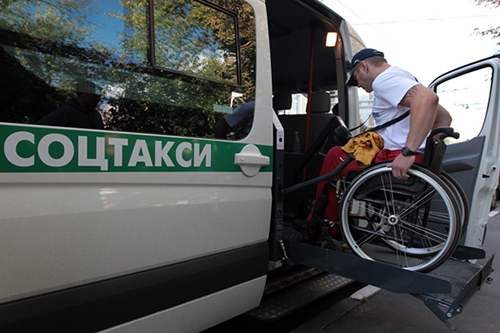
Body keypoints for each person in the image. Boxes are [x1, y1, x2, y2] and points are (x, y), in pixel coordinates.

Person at [310, 48, 452, 224]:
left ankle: (324, 224)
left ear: (364, 66)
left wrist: (408, 153)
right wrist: (429, 151)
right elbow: (444, 118)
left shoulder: (383, 80)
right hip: (413, 158)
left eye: (355, 78)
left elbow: (427, 99)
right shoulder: (406, 77)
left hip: (396, 158)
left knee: (334, 155)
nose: (358, 85)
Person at [38, 80, 104, 129]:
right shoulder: (65, 111)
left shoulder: (96, 116)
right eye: (94, 95)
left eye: (99, 96)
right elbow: (39, 130)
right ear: (82, 93)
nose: (98, 99)